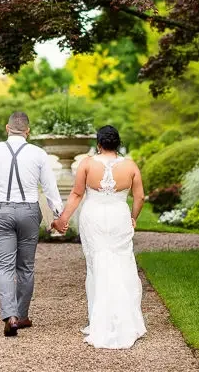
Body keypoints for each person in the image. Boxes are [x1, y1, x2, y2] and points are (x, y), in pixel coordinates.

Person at [0, 111, 64, 337]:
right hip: (28, 212)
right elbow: (50, 188)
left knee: (4, 266)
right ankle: (22, 316)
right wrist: (58, 214)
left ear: (7, 128)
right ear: (28, 131)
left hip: (0, 212)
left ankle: (10, 316)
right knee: (26, 266)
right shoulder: (38, 154)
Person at [56, 125, 147, 349]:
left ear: (98, 144)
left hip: (94, 217)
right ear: (118, 143)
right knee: (123, 263)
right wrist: (133, 217)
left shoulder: (87, 163)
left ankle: (99, 319)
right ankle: (128, 320)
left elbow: (77, 194)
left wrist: (63, 219)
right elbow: (140, 197)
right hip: (119, 217)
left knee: (97, 264)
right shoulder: (131, 166)